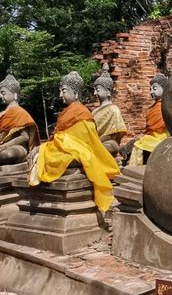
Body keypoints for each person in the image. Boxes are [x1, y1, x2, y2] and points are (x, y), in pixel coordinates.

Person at [29, 71, 119, 212]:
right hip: (63, 149)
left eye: (64, 91)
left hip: (78, 151)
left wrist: (61, 141)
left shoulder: (82, 112)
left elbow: (87, 140)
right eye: (60, 91)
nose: (60, 95)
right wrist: (46, 145)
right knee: (41, 154)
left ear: (76, 93)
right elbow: (57, 136)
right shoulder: (65, 113)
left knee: (59, 160)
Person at [128, 74, 169, 166]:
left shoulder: (167, 106)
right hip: (152, 135)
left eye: (154, 88)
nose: (151, 92)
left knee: (139, 144)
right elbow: (150, 127)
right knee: (137, 142)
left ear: (165, 89)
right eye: (150, 89)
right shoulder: (153, 107)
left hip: (162, 136)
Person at [0, 72, 39, 164]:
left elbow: (24, 137)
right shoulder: (2, 114)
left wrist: (4, 146)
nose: (0, 96)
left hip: (17, 147)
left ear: (15, 94)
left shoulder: (20, 113)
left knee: (7, 154)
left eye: (3, 93)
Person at [92, 63, 127, 157]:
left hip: (107, 143)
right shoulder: (94, 111)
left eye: (98, 90)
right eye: (94, 90)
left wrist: (98, 141)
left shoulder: (113, 109)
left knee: (108, 147)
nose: (95, 93)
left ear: (108, 92)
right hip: (93, 142)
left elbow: (117, 134)